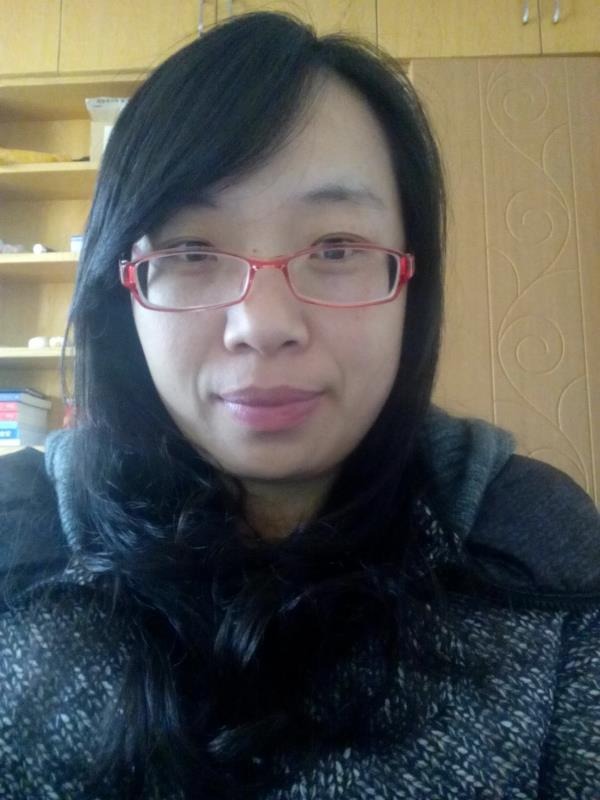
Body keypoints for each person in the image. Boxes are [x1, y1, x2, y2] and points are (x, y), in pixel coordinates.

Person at [0, 11, 599, 800]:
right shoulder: (17, 536)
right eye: (191, 251)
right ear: (126, 287)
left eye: (336, 248)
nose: (263, 324)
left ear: (409, 280)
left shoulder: (531, 541)